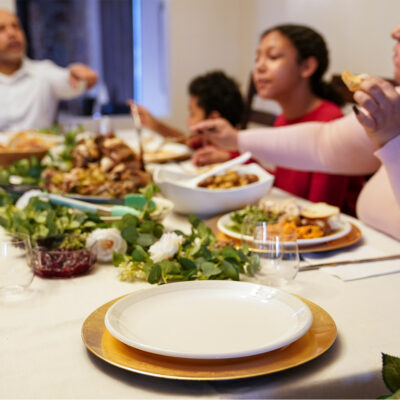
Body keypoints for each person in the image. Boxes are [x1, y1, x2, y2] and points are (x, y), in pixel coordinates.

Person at [190, 26, 400, 241]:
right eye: (257, 58)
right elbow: (323, 144)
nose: (395, 32)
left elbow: (320, 206)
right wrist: (236, 140)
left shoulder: (329, 113)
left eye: (272, 57)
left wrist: (392, 139)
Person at [0, 9, 98, 131]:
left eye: (16, 26)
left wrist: (79, 77)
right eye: (1, 29)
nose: (12, 33)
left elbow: (70, 82)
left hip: (41, 148)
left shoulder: (44, 72)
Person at [133, 70, 244, 165]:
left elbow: (256, 162)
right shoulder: (206, 141)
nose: (188, 121)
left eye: (192, 114)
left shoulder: (242, 149)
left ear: (213, 120)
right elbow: (185, 140)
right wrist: (156, 125)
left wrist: (227, 157)